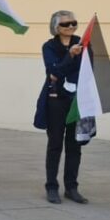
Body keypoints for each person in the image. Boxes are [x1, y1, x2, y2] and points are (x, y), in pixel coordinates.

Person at [33, 11, 87, 205]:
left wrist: (66, 66)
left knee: (75, 144)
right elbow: (53, 72)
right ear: (56, 28)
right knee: (55, 143)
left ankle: (72, 187)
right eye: (66, 24)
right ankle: (51, 186)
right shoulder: (49, 46)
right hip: (56, 99)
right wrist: (70, 57)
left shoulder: (83, 43)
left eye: (74, 23)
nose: (71, 27)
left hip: (76, 98)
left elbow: (87, 69)